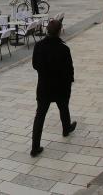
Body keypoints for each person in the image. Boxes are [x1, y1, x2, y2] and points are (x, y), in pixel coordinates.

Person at [30, 20, 77, 157]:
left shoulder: (39, 46)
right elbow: (69, 70)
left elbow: (35, 65)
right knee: (63, 108)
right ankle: (66, 128)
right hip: (61, 86)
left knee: (40, 116)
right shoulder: (64, 49)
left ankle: (35, 147)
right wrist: (69, 84)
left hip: (44, 86)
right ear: (59, 32)